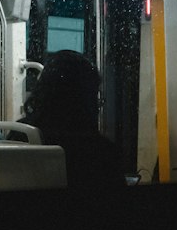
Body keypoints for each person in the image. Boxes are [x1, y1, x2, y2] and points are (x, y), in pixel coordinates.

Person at [17, 49, 123, 189]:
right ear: (86, 99)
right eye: (95, 96)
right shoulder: (100, 154)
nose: (98, 105)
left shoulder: (20, 135)